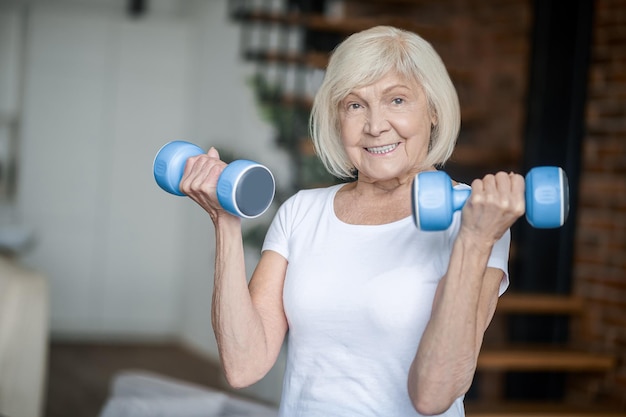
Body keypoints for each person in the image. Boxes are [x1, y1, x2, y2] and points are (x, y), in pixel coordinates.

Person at [180, 25, 525, 417]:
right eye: (355, 105)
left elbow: (434, 395)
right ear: (337, 118)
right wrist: (225, 223)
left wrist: (475, 241)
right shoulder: (301, 212)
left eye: (396, 100)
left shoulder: (475, 221)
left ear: (432, 110)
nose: (375, 125)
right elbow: (245, 365)